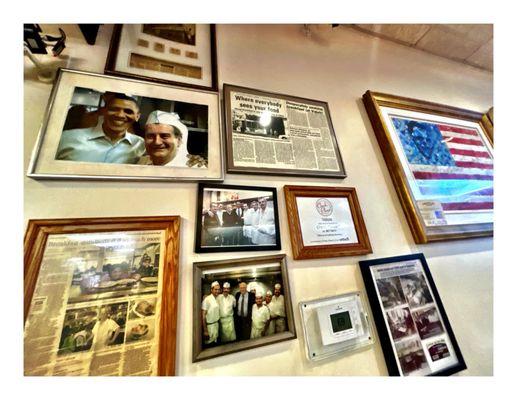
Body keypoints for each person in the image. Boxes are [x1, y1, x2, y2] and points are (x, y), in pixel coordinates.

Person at [56, 93, 145, 164]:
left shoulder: (141, 145)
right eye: (113, 109)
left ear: (137, 117)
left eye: (128, 111)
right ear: (104, 111)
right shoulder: (66, 138)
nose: (120, 115)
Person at [201, 281, 220, 346]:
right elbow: (203, 316)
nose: (217, 291)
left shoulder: (217, 298)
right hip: (209, 327)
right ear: (211, 290)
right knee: (210, 345)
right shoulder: (207, 299)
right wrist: (205, 331)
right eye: (215, 289)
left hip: (216, 325)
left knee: (216, 344)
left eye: (218, 289)